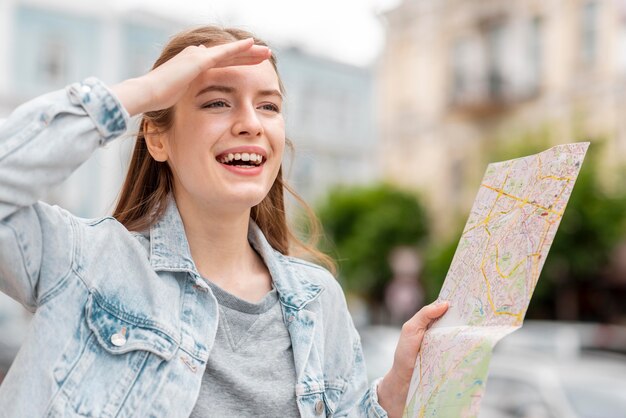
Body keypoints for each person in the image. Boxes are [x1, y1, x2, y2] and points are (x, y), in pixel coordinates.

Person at [0, 26, 448, 417]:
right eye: (217, 102)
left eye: (269, 106)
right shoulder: (88, 262)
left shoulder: (318, 300)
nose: (251, 123)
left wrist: (393, 393)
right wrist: (145, 91)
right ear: (158, 138)